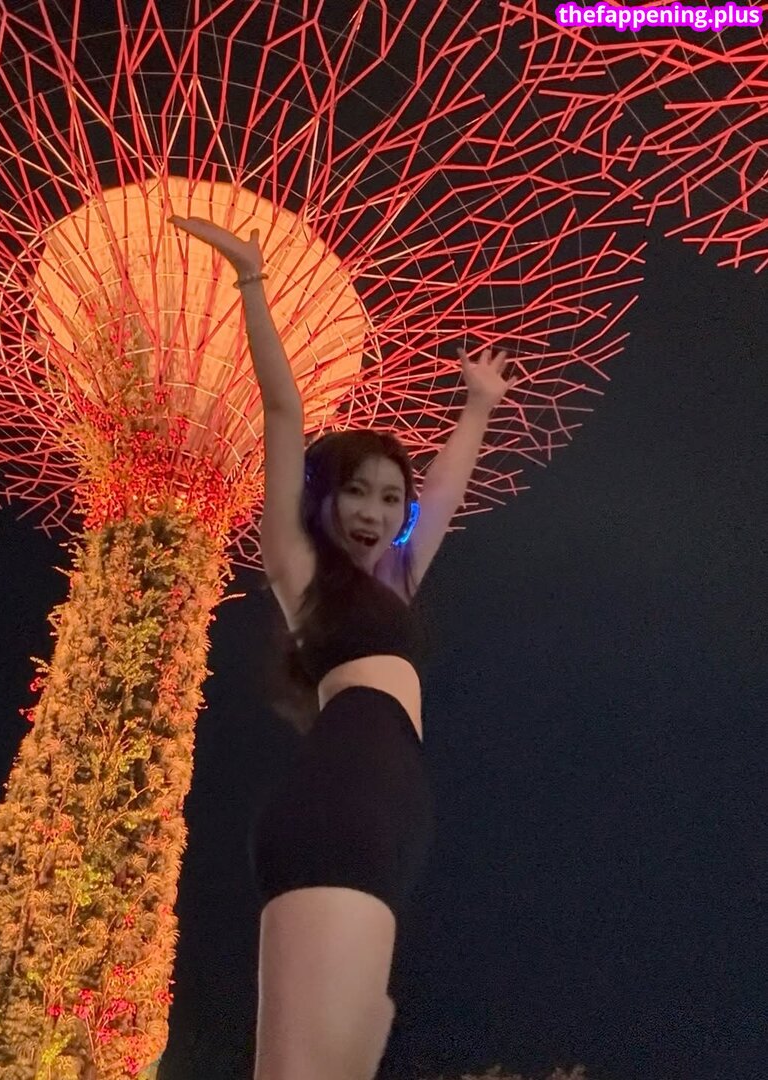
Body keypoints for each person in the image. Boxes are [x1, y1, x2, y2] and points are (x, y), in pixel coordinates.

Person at [169, 214, 519, 1080]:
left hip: (395, 809)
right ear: (323, 499)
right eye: (357, 492)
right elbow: (283, 409)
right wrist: (252, 280)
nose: (375, 512)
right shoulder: (297, 568)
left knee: (339, 1061)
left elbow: (446, 489)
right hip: (342, 798)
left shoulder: (397, 580)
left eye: (390, 499)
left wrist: (478, 405)